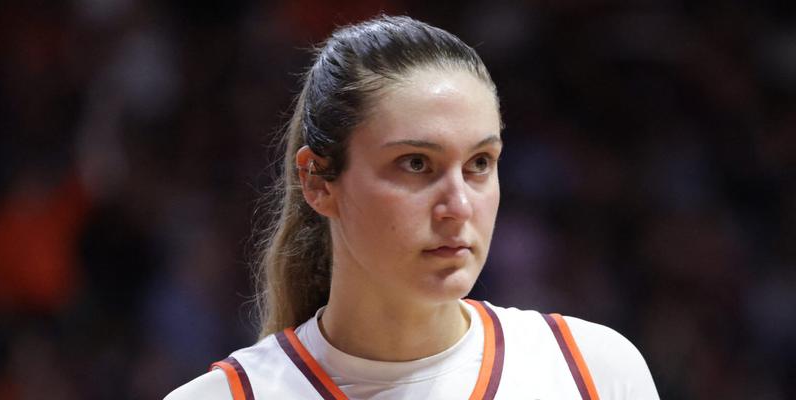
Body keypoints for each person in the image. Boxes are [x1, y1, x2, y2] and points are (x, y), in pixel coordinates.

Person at [165, 15, 659, 400]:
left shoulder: (592, 371)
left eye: (480, 163)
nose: (458, 206)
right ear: (317, 180)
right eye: (416, 163)